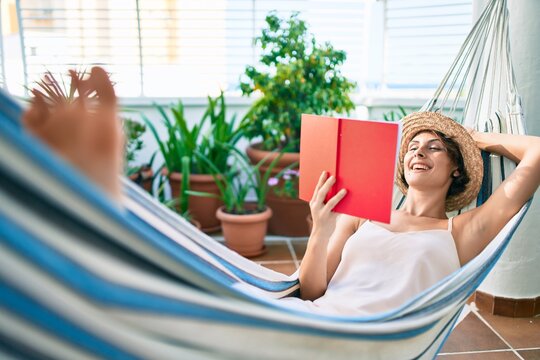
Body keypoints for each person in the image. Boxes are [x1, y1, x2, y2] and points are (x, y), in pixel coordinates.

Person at [22, 67, 540, 316]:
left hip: (377, 338)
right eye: (413, 145)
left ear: (455, 171)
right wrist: (325, 226)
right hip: (314, 319)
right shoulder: (363, 215)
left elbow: (534, 153)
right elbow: (313, 289)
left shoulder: (461, 231)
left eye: (434, 148)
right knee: (192, 294)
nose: (417, 151)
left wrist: (470, 137)